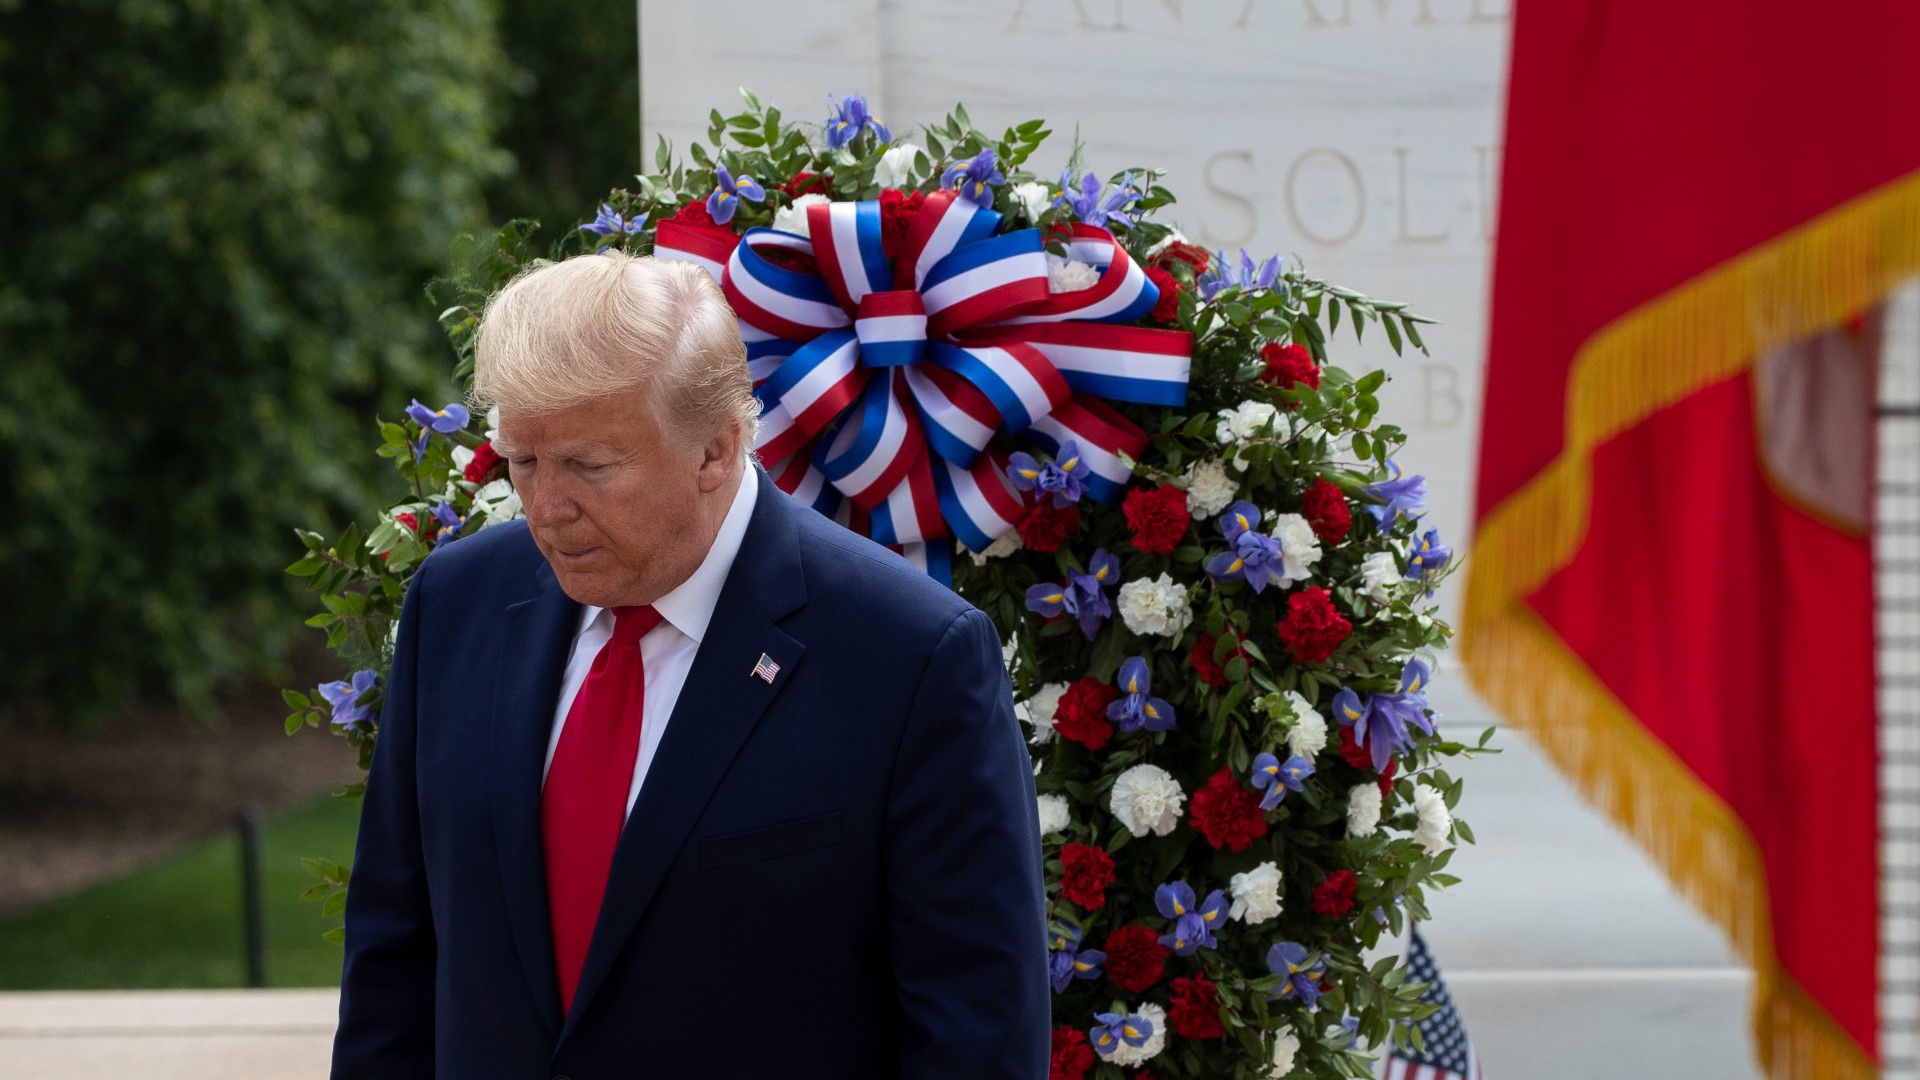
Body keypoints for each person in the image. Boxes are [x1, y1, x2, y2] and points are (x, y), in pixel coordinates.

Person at [330, 252, 1049, 1079]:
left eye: (590, 466)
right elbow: (393, 962)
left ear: (717, 449)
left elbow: (977, 1033)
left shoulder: (912, 657)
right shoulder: (456, 607)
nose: (545, 507)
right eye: (523, 463)